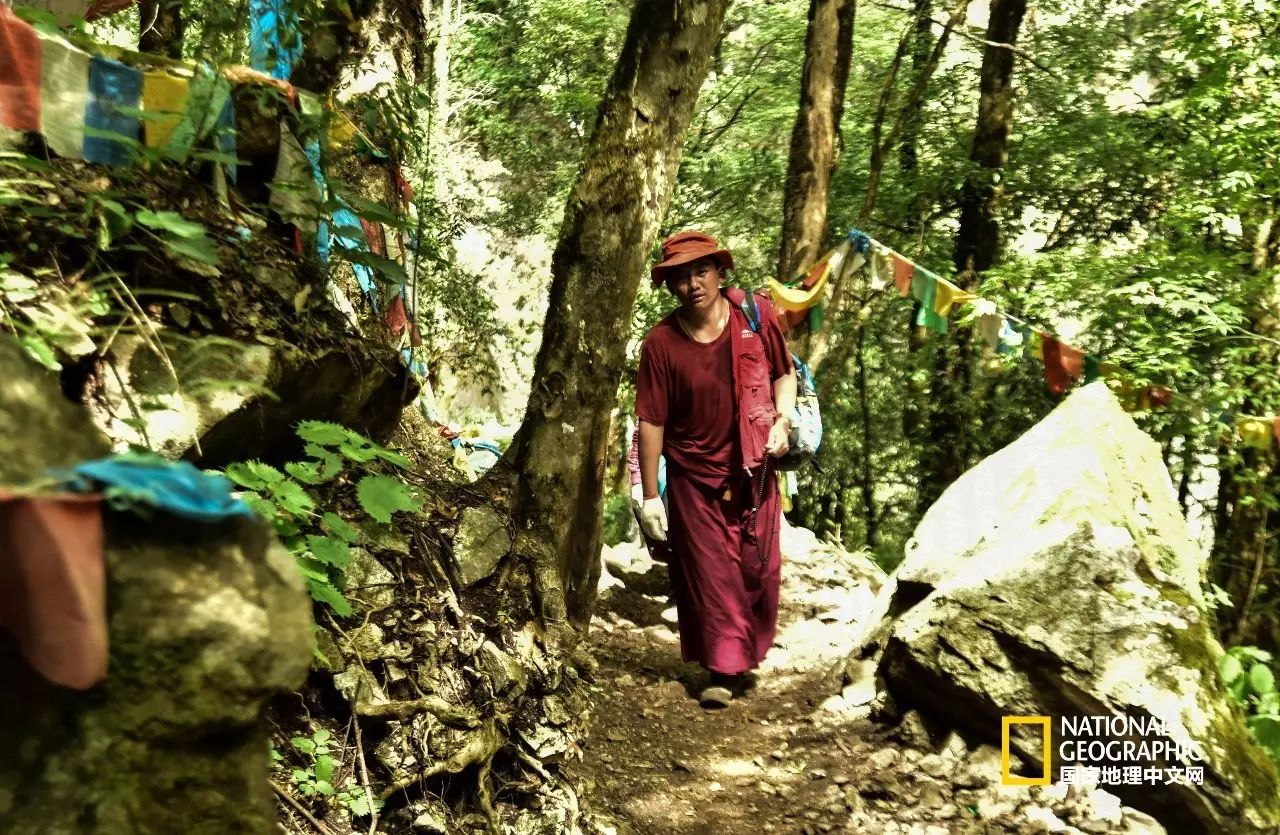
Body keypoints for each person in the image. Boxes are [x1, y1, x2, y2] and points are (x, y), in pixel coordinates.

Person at [632, 230, 797, 708]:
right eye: (680, 277)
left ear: (719, 271)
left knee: (758, 571)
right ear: (670, 287)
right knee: (710, 573)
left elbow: (783, 373)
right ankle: (722, 670)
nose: (693, 284)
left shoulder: (756, 314)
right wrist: (648, 496)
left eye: (700, 271)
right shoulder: (660, 344)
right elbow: (651, 421)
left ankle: (745, 652)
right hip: (692, 475)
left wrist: (782, 421)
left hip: (757, 467)